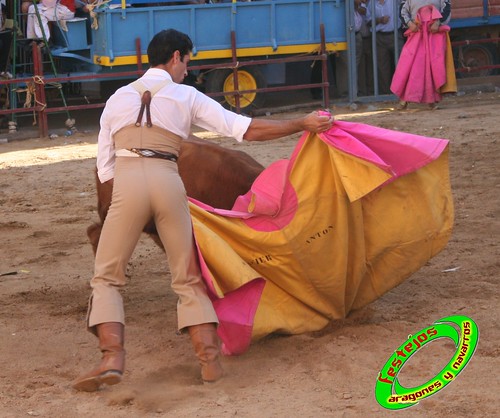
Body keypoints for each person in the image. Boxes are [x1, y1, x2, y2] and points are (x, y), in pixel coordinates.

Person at [72, 28, 333, 392]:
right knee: (188, 277)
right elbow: (245, 130)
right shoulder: (185, 96)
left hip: (127, 183)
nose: (188, 70)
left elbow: (104, 166)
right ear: (177, 57)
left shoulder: (117, 98)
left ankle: (111, 359)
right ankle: (209, 362)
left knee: (107, 278)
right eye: (188, 61)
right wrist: (300, 124)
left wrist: (124, 201)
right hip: (168, 180)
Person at [394, 0, 454, 109]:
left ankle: (431, 100)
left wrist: (437, 22)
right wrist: (410, 23)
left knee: (432, 67)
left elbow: (447, 8)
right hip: (417, 33)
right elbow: (402, 11)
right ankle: (404, 99)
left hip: (433, 35)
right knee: (411, 66)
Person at [365, 0, 404, 95]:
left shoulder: (395, 1)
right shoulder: (372, 3)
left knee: (401, 65)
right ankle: (385, 93)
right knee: (382, 67)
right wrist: (379, 20)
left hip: (395, 34)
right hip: (379, 37)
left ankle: (402, 91)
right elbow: (368, 21)